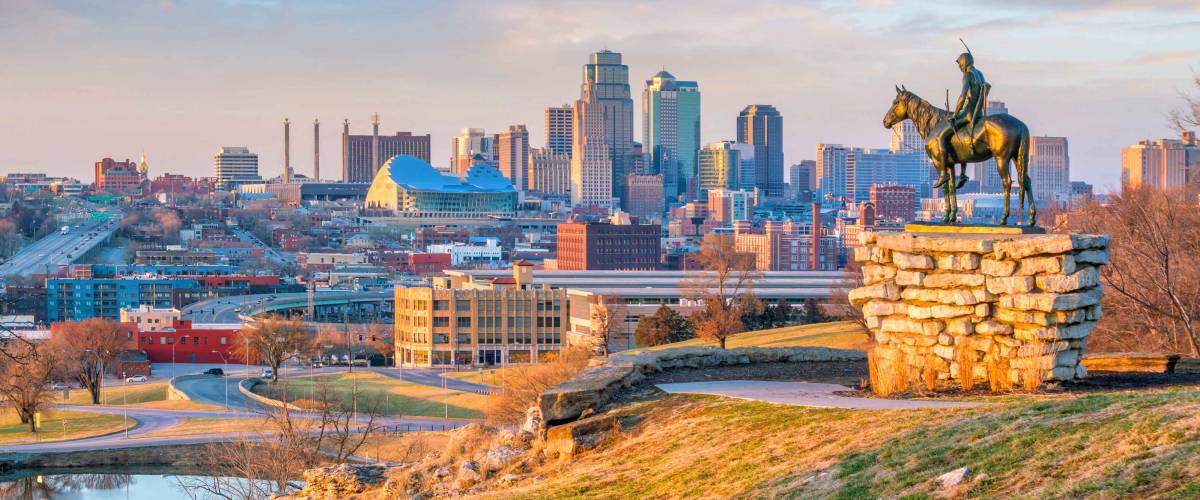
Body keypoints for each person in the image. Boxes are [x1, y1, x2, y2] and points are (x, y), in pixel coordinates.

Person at [935, 51, 988, 188]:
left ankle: (943, 174)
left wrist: (955, 114)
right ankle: (963, 174)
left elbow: (962, 97)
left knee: (941, 137)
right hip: (979, 113)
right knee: (960, 137)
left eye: (960, 64)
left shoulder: (967, 75)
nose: (959, 67)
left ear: (963, 63)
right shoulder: (980, 74)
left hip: (968, 114)